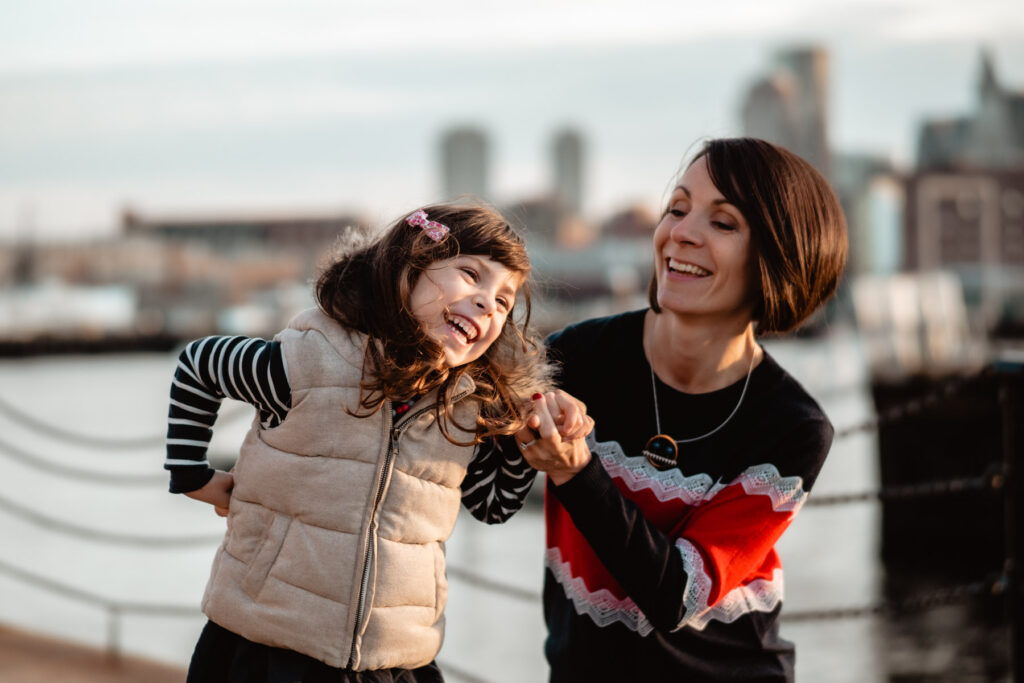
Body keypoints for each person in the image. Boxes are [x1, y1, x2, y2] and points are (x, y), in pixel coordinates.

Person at [163, 204, 590, 682]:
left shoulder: (468, 407)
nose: (489, 303)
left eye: (505, 300)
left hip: (394, 661)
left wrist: (523, 437)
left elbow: (493, 504)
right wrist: (192, 475)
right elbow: (200, 364)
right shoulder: (306, 362)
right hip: (266, 649)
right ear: (410, 266)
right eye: (471, 274)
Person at [516, 138, 849, 682]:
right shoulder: (577, 356)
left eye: (723, 223)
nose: (681, 232)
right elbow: (484, 491)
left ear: (778, 256)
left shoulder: (792, 427)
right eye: (676, 208)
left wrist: (575, 471)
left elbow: (678, 593)